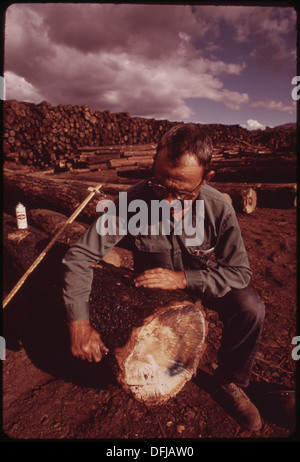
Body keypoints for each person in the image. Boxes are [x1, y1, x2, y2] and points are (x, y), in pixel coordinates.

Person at [62, 123, 265, 432]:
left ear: (206, 179)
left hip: (197, 281)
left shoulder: (219, 207)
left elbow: (240, 272)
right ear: (153, 168)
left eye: (182, 192)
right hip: (150, 291)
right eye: (160, 186)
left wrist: (183, 279)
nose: (168, 201)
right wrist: (78, 323)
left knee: (251, 307)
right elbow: (79, 256)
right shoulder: (132, 202)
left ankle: (229, 381)